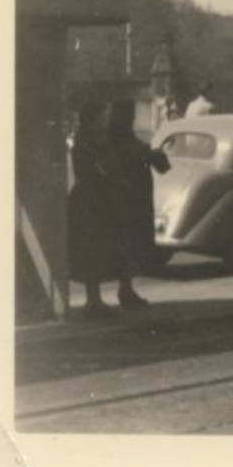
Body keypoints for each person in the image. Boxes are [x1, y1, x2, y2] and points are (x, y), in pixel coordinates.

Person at [105, 98, 170, 310]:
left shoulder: (119, 137)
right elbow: (133, 155)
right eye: (129, 114)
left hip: (128, 198)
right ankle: (125, 288)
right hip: (129, 198)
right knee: (128, 242)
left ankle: (126, 287)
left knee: (128, 243)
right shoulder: (120, 139)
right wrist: (151, 154)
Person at [67, 102, 119, 317]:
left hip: (84, 196)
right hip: (94, 197)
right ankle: (93, 300)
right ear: (94, 117)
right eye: (102, 115)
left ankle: (94, 297)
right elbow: (107, 166)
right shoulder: (93, 140)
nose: (105, 119)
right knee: (94, 248)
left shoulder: (82, 137)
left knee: (91, 249)